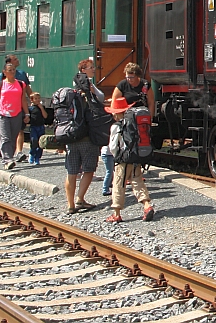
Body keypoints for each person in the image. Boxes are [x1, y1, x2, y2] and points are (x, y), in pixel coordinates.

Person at [105, 93, 154, 223]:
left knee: (119, 184)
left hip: (123, 159)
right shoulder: (133, 123)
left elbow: (113, 146)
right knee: (138, 181)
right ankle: (147, 206)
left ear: (116, 113)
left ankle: (116, 213)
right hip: (135, 156)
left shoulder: (116, 126)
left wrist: (116, 156)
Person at [63, 61, 104, 215]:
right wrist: (92, 89)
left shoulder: (70, 91)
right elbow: (100, 98)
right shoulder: (89, 88)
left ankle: (70, 204)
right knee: (88, 170)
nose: (94, 69)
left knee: (71, 172)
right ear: (83, 70)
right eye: (91, 68)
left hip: (71, 136)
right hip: (87, 137)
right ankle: (80, 199)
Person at [0, 55, 32, 162]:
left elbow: (25, 96)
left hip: (17, 111)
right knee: (5, 137)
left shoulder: (21, 80)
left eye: (13, 70)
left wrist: (28, 111)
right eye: (10, 70)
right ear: (5, 72)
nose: (13, 72)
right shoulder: (0, 82)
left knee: (15, 135)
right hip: (3, 112)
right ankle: (7, 159)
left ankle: (14, 154)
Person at [27, 92, 47, 165]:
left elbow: (45, 116)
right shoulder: (30, 108)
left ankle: (37, 157)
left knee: (41, 143)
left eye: (39, 98)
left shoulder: (42, 107)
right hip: (33, 127)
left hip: (41, 126)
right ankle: (32, 154)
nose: (38, 100)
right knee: (34, 140)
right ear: (32, 100)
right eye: (36, 99)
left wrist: (41, 108)